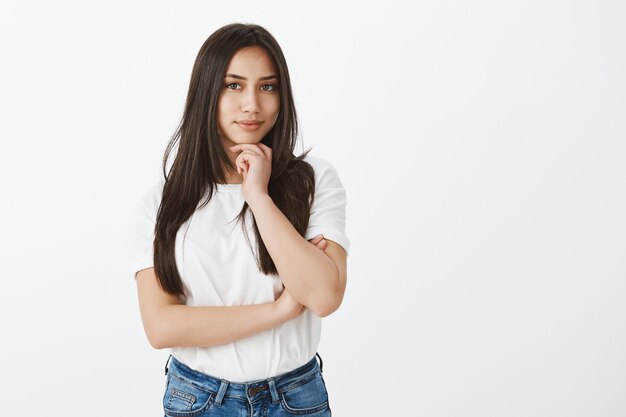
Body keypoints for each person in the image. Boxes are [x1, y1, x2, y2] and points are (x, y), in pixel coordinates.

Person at [130, 23, 350, 416]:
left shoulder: (313, 181)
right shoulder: (164, 200)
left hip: (295, 398)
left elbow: (323, 296)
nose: (252, 104)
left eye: (268, 87)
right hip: (197, 400)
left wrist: (258, 197)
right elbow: (162, 327)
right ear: (206, 93)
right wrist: (278, 312)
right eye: (234, 85)